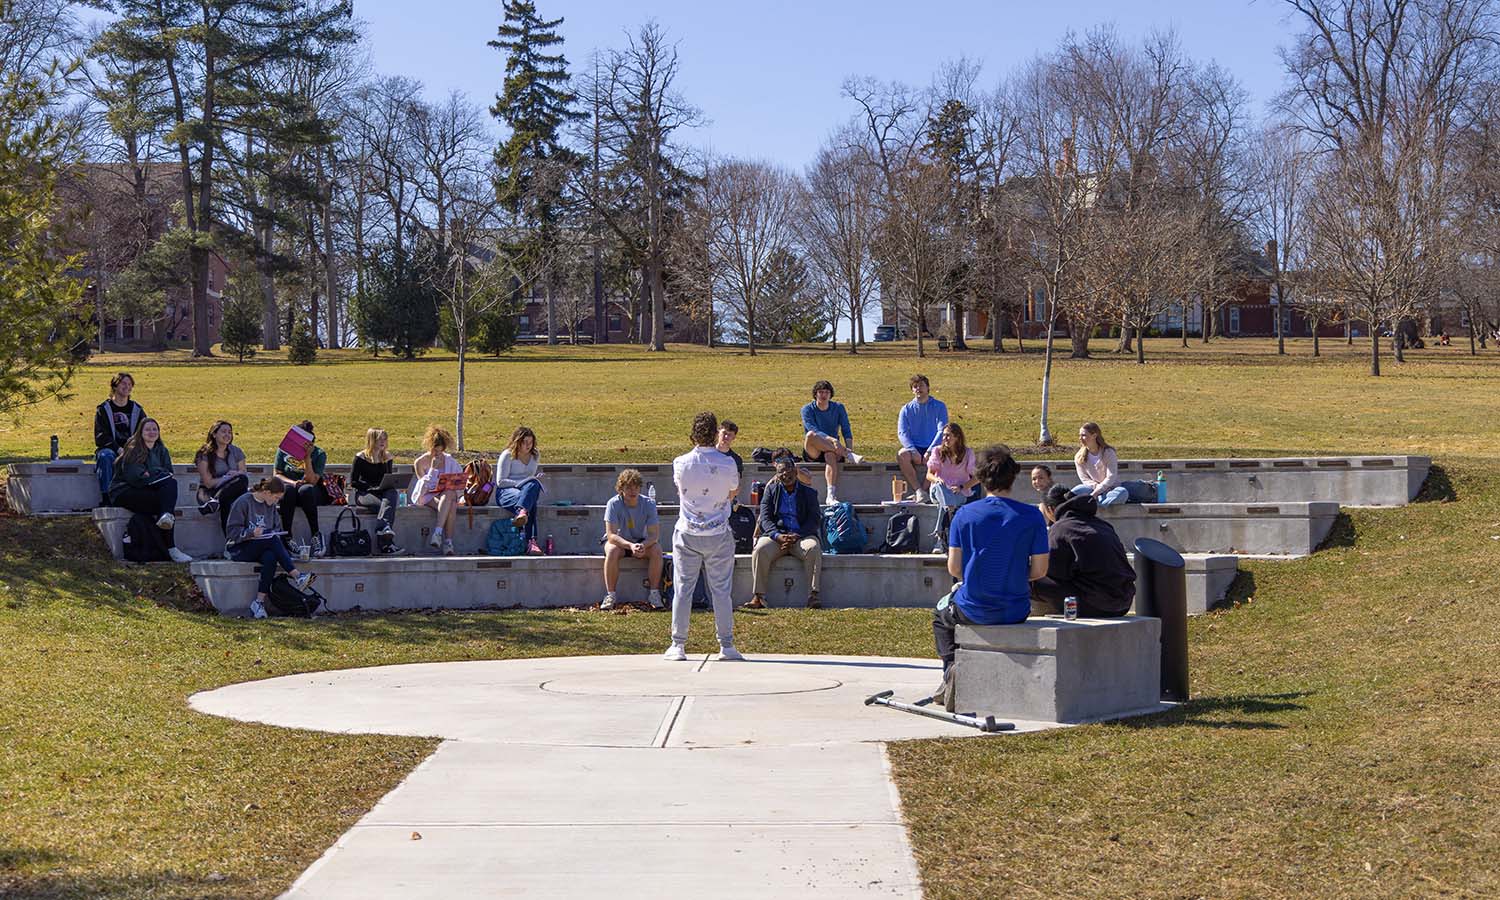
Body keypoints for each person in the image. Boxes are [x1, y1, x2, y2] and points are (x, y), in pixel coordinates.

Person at [930, 444, 1049, 708]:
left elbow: (955, 569)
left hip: (974, 608)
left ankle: (951, 672)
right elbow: (1040, 570)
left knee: (940, 615)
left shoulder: (964, 514)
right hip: (1016, 608)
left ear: (981, 478)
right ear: (1013, 477)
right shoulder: (1032, 516)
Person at [664, 411, 743, 662]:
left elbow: (681, 490)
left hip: (688, 531)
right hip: (718, 532)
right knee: (721, 590)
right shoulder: (728, 463)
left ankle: (678, 644)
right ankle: (726, 645)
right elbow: (733, 490)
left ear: (693, 435)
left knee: (683, 589)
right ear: (714, 434)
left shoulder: (680, 463)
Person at [1032, 485, 1136, 617]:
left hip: (1098, 605)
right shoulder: (1103, 525)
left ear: (1050, 509)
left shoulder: (1061, 528)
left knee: (1029, 579)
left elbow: (1051, 571)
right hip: (1123, 603)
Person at [224, 478, 315, 619]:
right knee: (271, 540)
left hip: (261, 545)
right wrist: (251, 533)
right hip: (238, 547)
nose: (277, 502)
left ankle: (259, 602)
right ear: (266, 492)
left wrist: (269, 534)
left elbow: (275, 528)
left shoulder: (270, 506)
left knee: (270, 557)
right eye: (276, 497)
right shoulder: (243, 502)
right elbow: (231, 532)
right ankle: (297, 575)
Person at [108, 418, 193, 563]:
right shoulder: (133, 449)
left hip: (149, 490)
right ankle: (171, 549)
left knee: (167, 497)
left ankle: (168, 538)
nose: (152, 432)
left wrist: (150, 472)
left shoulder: (162, 450)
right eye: (148, 429)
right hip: (124, 491)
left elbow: (168, 472)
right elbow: (135, 477)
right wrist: (156, 473)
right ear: (140, 432)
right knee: (168, 492)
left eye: (155, 429)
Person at [744, 458, 823, 610]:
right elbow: (765, 518)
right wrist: (776, 535)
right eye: (781, 472)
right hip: (777, 537)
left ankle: (813, 595)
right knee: (760, 549)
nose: (786, 474)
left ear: (795, 471)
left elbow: (814, 520)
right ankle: (758, 597)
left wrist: (797, 535)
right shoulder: (771, 490)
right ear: (776, 474)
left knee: (813, 548)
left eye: (789, 471)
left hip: (801, 536)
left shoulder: (809, 492)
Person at [601, 469, 664, 610]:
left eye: (636, 487)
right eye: (628, 487)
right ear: (621, 488)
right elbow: (611, 535)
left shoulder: (648, 503)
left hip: (640, 542)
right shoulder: (613, 503)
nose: (632, 491)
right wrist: (630, 546)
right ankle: (610, 594)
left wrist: (642, 545)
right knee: (612, 550)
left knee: (657, 549)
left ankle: (654, 594)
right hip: (619, 542)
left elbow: (654, 535)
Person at [275, 419, 332, 556]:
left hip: (310, 493)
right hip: (291, 490)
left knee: (306, 489)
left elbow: (312, 481)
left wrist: (307, 457)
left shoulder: (319, 454)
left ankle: (316, 535)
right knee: (288, 490)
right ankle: (287, 537)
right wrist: (292, 482)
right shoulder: (284, 451)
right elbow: (277, 474)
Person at [801, 380, 863, 504]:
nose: (823, 395)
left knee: (830, 454)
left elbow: (846, 429)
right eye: (820, 392)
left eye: (826, 392)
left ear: (830, 394)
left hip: (833, 449)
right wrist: (833, 439)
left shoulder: (839, 408)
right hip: (815, 448)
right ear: (815, 394)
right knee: (811, 435)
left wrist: (849, 447)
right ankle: (848, 455)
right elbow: (813, 429)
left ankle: (831, 495)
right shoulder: (807, 409)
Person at [925, 422, 981, 553]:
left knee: (944, 505)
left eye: (948, 436)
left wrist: (962, 487)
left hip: (958, 492)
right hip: (939, 490)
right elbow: (929, 475)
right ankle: (948, 515)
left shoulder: (968, 453)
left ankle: (939, 539)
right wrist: (937, 479)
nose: (945, 439)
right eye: (943, 436)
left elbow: (977, 477)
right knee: (940, 487)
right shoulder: (937, 451)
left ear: (957, 437)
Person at [1071, 422, 1154, 506]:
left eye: (1084, 435)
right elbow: (1085, 479)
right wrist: (1096, 489)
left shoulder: (1108, 452)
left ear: (1094, 436)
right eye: (1080, 435)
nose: (1080, 438)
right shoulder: (1079, 457)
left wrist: (1097, 492)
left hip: (1111, 489)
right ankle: (1097, 502)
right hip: (1092, 489)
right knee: (1076, 491)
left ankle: (1099, 505)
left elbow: (1111, 477)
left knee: (1122, 492)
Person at [94, 372, 145, 502]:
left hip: (132, 449)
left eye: (130, 384)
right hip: (110, 449)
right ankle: (107, 498)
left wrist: (130, 448)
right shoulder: (104, 409)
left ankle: (136, 498)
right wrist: (118, 449)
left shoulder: (137, 410)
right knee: (105, 457)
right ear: (115, 386)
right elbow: (100, 436)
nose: (127, 386)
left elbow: (145, 431)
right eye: (123, 383)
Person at [896, 374, 948, 502]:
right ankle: (918, 490)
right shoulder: (906, 409)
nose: (918, 389)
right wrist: (913, 450)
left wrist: (930, 450)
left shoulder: (939, 406)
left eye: (921, 386)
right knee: (901, 455)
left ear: (928, 388)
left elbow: (942, 430)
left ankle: (925, 492)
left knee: (940, 455)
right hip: (914, 446)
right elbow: (902, 432)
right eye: (915, 386)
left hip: (934, 445)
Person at [412, 424, 463, 555]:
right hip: (426, 496)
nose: (438, 454)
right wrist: (433, 470)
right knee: (450, 505)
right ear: (430, 447)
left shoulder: (450, 461)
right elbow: (423, 487)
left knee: (450, 497)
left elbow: (460, 481)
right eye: (435, 451)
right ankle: (448, 543)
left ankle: (438, 533)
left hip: (445, 495)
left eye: (440, 451)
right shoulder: (420, 462)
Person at [350, 427, 403, 554]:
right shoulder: (361, 457)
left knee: (392, 493)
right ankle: (386, 542)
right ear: (372, 440)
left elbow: (388, 479)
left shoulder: (387, 457)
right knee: (385, 506)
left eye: (385, 439)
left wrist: (385, 485)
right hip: (364, 493)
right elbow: (353, 482)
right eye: (379, 439)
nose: (383, 442)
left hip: (382, 492)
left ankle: (383, 532)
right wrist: (370, 487)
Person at [494, 426, 544, 555]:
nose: (528, 446)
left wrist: (529, 482)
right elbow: (500, 482)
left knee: (533, 485)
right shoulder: (508, 455)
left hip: (526, 491)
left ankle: (522, 512)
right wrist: (521, 483)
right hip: (506, 492)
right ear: (517, 442)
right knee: (530, 501)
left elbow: (530, 478)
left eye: (530, 442)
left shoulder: (535, 455)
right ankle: (532, 542)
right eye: (524, 442)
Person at [194, 420, 250, 534]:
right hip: (208, 493)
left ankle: (216, 503)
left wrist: (236, 474)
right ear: (214, 434)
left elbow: (243, 473)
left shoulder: (236, 451)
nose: (227, 435)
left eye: (230, 432)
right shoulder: (203, 454)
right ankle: (231, 544)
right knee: (229, 500)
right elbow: (208, 483)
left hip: (231, 490)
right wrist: (227, 477)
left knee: (240, 483)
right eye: (223, 432)